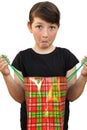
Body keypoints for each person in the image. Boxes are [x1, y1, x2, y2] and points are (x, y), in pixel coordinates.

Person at [0, 1, 87, 130]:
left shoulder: (66, 56)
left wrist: (84, 76)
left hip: (59, 126)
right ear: (30, 26)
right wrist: (6, 75)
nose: (45, 34)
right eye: (39, 26)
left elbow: (71, 96)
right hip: (29, 126)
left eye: (51, 27)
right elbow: (20, 97)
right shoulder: (22, 58)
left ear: (58, 27)